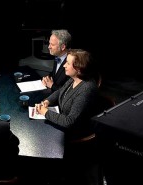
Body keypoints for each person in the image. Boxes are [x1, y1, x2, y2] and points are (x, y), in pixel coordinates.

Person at [35, 49, 100, 185]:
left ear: (79, 69)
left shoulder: (86, 90)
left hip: (75, 133)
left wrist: (45, 112)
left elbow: (70, 122)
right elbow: (59, 91)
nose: (64, 65)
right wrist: (48, 101)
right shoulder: (73, 79)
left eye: (68, 63)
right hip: (63, 121)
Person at [41, 29, 71, 93]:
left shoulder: (72, 63)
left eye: (52, 44)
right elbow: (55, 75)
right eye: (49, 43)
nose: (49, 47)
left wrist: (52, 85)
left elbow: (69, 93)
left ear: (63, 47)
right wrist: (47, 79)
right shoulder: (58, 55)